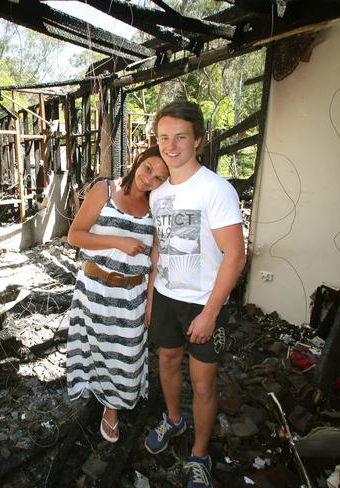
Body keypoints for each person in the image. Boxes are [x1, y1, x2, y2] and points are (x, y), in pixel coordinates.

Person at [144, 101, 245, 488]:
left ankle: (200, 454)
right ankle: (173, 419)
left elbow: (235, 255)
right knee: (168, 362)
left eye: (180, 137)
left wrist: (210, 314)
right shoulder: (158, 193)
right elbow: (160, 248)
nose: (170, 146)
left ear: (198, 141)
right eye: (163, 137)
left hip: (204, 301)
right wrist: (153, 298)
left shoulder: (215, 189)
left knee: (203, 384)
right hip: (167, 297)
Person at [66, 146, 169, 443]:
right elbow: (75, 234)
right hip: (94, 287)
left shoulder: (157, 208)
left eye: (160, 177)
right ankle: (100, 396)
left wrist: (150, 300)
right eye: (149, 168)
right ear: (139, 160)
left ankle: (112, 406)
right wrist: (118, 241)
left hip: (132, 293)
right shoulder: (105, 190)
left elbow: (155, 259)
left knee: (126, 354)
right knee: (95, 346)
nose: (150, 178)